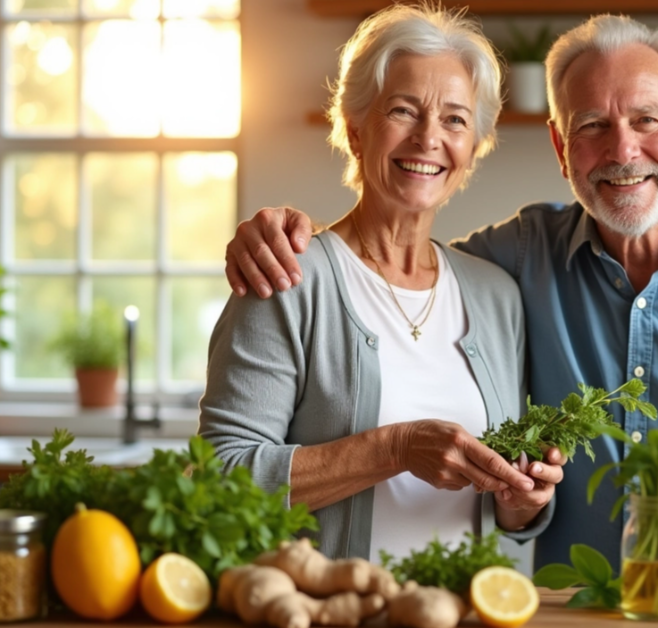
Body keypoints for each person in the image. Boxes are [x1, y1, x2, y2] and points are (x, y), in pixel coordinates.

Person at [222, 15, 658, 589]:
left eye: (645, 121)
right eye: (593, 125)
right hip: (573, 616)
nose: (622, 150)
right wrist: (277, 231)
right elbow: (386, 254)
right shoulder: (512, 261)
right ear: (560, 146)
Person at [197, 5, 564, 564]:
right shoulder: (288, 276)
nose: (428, 138)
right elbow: (218, 481)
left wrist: (522, 500)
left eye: (455, 120)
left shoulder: (496, 296)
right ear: (355, 128)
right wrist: (395, 448)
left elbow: (504, 517)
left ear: (474, 149)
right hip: (330, 610)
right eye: (403, 110)